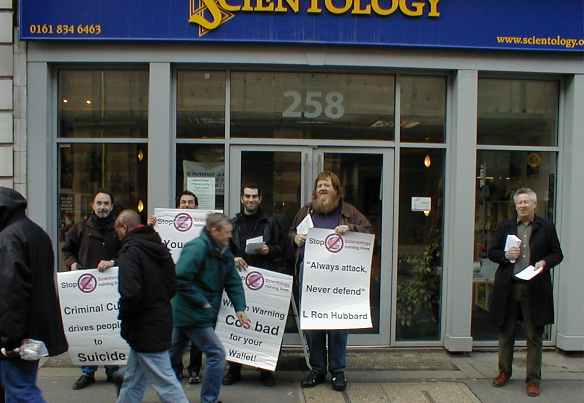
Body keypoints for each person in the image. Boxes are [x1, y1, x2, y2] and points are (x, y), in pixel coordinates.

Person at [289, 171, 371, 392]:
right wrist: (295, 238)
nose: (322, 189)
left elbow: (368, 231)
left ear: (337, 190)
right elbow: (291, 233)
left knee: (337, 325)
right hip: (311, 277)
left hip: (339, 278)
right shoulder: (306, 211)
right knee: (313, 324)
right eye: (319, 186)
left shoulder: (349, 212)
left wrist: (351, 229)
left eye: (327, 185)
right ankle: (317, 369)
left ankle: (337, 371)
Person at [488, 187, 563, 398]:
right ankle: (504, 372)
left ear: (534, 205)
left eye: (526, 202)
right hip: (509, 287)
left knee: (534, 335)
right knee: (506, 333)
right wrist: (505, 255)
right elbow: (491, 252)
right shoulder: (506, 226)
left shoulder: (546, 227)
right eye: (519, 202)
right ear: (515, 205)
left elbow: (558, 254)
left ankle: (533, 380)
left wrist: (544, 262)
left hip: (535, 288)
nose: (522, 205)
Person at [170, 213, 248, 403]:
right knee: (216, 354)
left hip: (194, 312)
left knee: (170, 356)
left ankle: (133, 376)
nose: (230, 236)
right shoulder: (197, 248)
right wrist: (202, 301)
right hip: (190, 312)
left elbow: (233, 281)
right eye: (227, 232)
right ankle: (209, 400)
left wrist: (240, 308)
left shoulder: (223, 251)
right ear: (214, 231)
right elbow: (179, 278)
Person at [0, 187, 69, 402]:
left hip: (18, 333)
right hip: (34, 330)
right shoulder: (37, 233)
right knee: (20, 386)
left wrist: (8, 340)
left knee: (20, 390)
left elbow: (12, 292)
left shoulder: (9, 237)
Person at [113, 210, 189, 403]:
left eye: (118, 231)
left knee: (166, 384)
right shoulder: (158, 246)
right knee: (133, 380)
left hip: (143, 327)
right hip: (159, 319)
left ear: (124, 226)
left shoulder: (130, 251)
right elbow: (172, 285)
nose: (118, 236)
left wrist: (126, 315)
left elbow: (130, 293)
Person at [223, 184, 285, 387]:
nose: (250, 200)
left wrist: (270, 249)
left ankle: (265, 370)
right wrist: (233, 258)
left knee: (263, 325)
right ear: (242, 199)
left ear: (260, 199)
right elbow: (223, 250)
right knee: (237, 323)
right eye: (247, 196)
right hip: (238, 281)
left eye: (254, 196)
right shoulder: (232, 224)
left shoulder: (271, 223)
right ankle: (234, 369)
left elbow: (283, 249)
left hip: (264, 281)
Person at [62, 190, 121, 390]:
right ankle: (88, 372)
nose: (102, 207)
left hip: (112, 290)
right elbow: (67, 250)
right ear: (92, 206)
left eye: (106, 203)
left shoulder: (119, 228)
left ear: (112, 206)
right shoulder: (80, 228)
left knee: (109, 329)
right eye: (99, 203)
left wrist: (113, 262)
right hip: (86, 289)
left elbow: (129, 253)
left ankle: (113, 370)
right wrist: (72, 264)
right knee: (89, 329)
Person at [148, 190, 203, 384]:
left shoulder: (204, 226)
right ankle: (176, 369)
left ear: (196, 206)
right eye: (183, 202)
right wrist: (151, 228)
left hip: (197, 284)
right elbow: (152, 247)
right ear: (177, 206)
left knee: (197, 330)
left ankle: (195, 369)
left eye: (191, 202)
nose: (187, 205)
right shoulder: (165, 227)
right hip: (172, 285)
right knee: (175, 331)